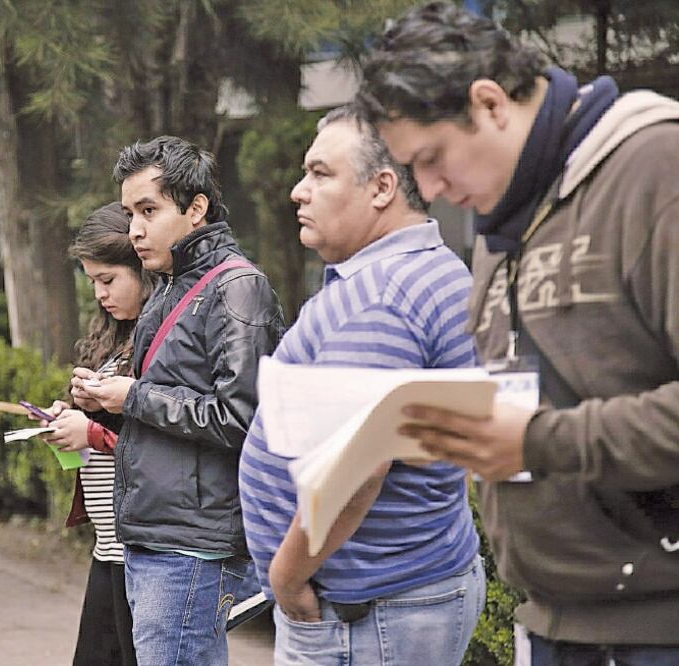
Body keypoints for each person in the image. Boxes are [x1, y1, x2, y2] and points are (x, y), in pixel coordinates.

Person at [362, 2, 679, 662]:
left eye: (432, 158)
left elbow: (545, 431)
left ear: (489, 103)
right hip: (551, 621)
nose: (431, 189)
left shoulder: (655, 169)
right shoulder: (503, 221)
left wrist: (538, 440)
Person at [238, 104, 484, 665]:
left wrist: (286, 577)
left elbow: (358, 464)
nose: (299, 192)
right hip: (405, 594)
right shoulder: (431, 266)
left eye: (320, 174)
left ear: (381, 188)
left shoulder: (381, 298)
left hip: (365, 615)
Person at [77, 135, 284, 666]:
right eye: (129, 213)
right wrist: (106, 406)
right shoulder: (169, 285)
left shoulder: (237, 288)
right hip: (154, 534)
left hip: (191, 546)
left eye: (149, 210)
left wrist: (135, 398)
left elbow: (242, 420)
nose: (135, 229)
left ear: (196, 209)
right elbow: (166, 417)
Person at [33, 202, 151, 666]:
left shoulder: (161, 339)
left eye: (109, 280)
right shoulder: (109, 338)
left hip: (141, 545)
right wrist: (68, 429)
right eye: (92, 283)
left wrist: (93, 433)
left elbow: (165, 449)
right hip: (109, 543)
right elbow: (98, 448)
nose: (100, 294)